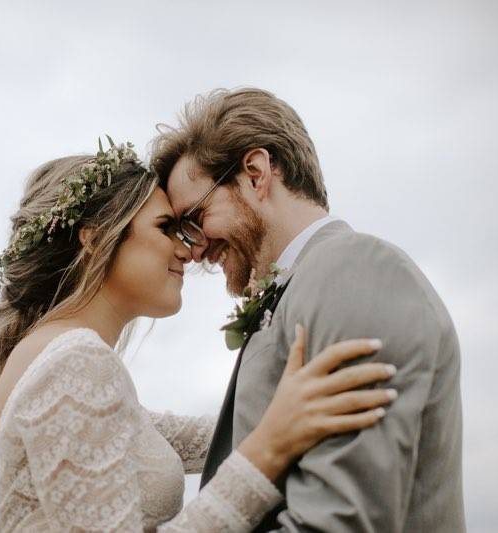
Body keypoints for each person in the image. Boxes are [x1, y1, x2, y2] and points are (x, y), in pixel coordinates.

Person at [0, 140, 397, 531]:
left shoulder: (59, 359)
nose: (189, 249)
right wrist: (271, 447)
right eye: (166, 228)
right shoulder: (74, 363)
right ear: (95, 240)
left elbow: (208, 437)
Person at [151, 88, 466, 532]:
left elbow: (340, 522)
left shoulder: (354, 269)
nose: (196, 250)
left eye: (194, 219)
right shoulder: (310, 284)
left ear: (257, 174)